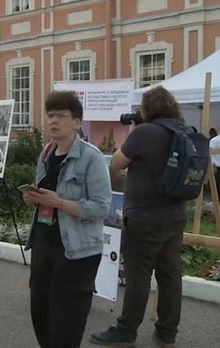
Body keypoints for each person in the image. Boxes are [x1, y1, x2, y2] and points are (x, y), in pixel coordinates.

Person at [91, 87, 188, 347]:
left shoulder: (145, 132)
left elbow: (117, 162)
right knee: (170, 274)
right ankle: (167, 332)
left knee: (139, 275)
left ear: (147, 109)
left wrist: (135, 130)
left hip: (145, 218)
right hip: (175, 215)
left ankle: (126, 331)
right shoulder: (182, 130)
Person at [23, 91, 111, 348]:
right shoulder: (46, 154)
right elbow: (44, 195)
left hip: (77, 251)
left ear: (77, 121)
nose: (53, 121)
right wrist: (33, 199)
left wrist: (59, 203)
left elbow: (101, 207)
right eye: (50, 115)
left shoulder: (91, 157)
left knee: (67, 321)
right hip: (43, 243)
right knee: (40, 312)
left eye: (61, 116)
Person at [209, 128, 220, 198]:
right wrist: (212, 164)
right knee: (217, 188)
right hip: (217, 166)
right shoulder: (215, 140)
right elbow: (209, 152)